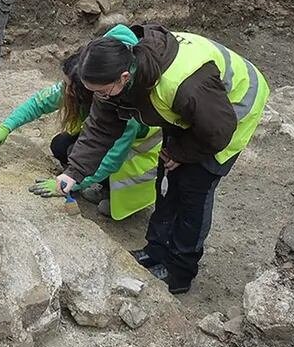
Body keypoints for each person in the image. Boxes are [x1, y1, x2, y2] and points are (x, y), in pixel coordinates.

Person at [56, 25, 270, 295]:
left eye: (101, 91)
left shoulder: (182, 84)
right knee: (167, 182)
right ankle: (155, 251)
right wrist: (73, 172)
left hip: (231, 110)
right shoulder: (115, 75)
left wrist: (182, 153)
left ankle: (180, 271)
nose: (98, 96)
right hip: (190, 114)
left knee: (193, 190)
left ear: (123, 77)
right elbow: (100, 128)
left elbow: (218, 132)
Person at [0, 26, 162, 221]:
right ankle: (95, 182)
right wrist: (5, 127)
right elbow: (38, 103)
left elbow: (112, 158)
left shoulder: (121, 108)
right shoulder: (89, 87)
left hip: (138, 156)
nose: (64, 89)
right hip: (111, 140)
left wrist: (73, 183)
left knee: (103, 192)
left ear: (87, 89)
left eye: (68, 85)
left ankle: (110, 192)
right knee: (61, 146)